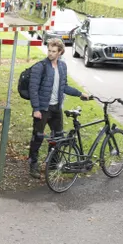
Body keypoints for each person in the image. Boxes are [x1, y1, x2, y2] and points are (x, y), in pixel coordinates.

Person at [28, 39, 91, 178]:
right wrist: (36, 109)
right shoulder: (40, 67)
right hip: (43, 109)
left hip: (56, 108)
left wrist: (80, 94)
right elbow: (33, 89)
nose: (50, 53)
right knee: (37, 137)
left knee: (58, 137)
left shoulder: (62, 66)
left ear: (60, 52)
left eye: (53, 51)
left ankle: (53, 164)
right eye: (49, 50)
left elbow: (64, 87)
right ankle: (33, 165)